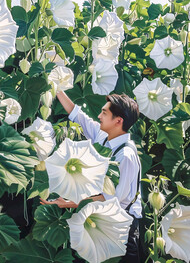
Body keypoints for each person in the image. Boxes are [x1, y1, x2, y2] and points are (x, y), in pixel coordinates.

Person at [40, 90, 142, 263]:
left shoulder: (125, 155)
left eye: (104, 112)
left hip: (122, 228)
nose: (99, 115)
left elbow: (112, 199)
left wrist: (69, 202)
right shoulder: (104, 136)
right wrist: (56, 87)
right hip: (104, 222)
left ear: (118, 121)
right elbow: (78, 115)